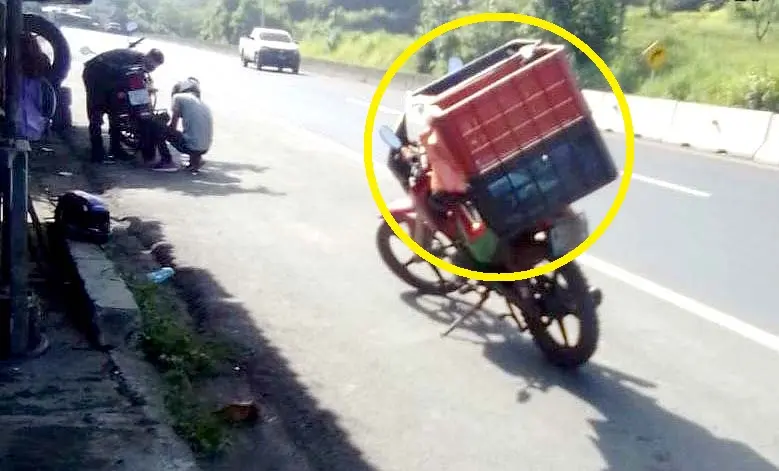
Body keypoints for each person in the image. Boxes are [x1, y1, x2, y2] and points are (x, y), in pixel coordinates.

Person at [82, 47, 164, 163]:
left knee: (115, 111)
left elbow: (136, 82)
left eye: (154, 68)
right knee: (96, 111)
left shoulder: (139, 63)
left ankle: (115, 149)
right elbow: (126, 79)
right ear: (148, 57)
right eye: (152, 66)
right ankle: (97, 151)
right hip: (95, 74)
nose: (152, 69)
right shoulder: (131, 61)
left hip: (111, 77)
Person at [149, 77, 213, 173]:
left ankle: (167, 161)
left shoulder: (178, 97)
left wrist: (160, 123)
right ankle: (195, 162)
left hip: (191, 146)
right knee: (193, 134)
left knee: (157, 127)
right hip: (205, 148)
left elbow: (173, 127)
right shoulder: (202, 104)